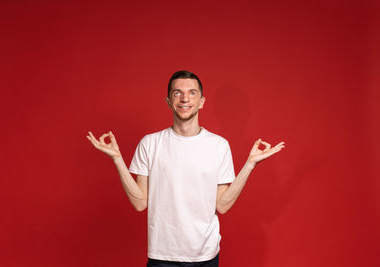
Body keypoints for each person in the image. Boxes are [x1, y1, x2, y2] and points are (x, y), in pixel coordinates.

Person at [86, 70, 285, 266]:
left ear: (201, 102)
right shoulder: (150, 143)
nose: (184, 98)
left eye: (192, 93)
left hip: (205, 256)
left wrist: (250, 165)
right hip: (162, 256)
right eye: (177, 93)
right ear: (168, 101)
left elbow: (222, 205)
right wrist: (117, 159)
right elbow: (140, 203)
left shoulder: (219, 145)